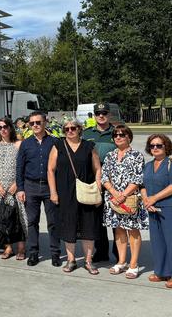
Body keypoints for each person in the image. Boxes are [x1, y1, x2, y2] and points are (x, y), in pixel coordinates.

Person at [48, 119, 103, 274]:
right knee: (68, 226)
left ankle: (88, 261)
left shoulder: (89, 146)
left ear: (79, 129)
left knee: (88, 226)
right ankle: (71, 260)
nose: (70, 131)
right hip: (65, 193)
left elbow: (98, 169)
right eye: (66, 129)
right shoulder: (58, 146)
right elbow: (50, 170)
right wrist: (53, 192)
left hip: (86, 192)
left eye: (73, 128)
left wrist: (98, 190)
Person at [141, 134, 172, 289]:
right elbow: (141, 185)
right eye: (152, 145)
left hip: (171, 208)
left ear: (166, 147)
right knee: (158, 243)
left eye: (159, 145)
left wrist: (154, 198)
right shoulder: (148, 166)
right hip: (152, 208)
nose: (155, 148)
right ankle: (162, 271)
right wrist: (146, 201)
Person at [16, 111, 61, 267]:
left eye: (38, 122)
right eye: (32, 123)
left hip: (50, 187)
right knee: (32, 222)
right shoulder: (25, 144)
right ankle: (33, 253)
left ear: (45, 123)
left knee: (53, 222)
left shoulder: (55, 142)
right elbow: (19, 167)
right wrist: (20, 189)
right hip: (31, 187)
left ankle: (56, 253)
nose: (35, 125)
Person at [102, 125, 147, 279]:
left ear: (129, 137)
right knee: (119, 229)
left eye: (122, 134)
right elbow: (104, 177)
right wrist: (114, 193)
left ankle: (134, 264)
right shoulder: (109, 156)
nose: (118, 137)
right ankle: (121, 261)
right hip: (113, 198)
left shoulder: (137, 155)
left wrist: (124, 195)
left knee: (133, 230)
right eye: (116, 135)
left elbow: (138, 178)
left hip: (130, 199)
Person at [0, 118, 27, 260]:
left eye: (5, 126)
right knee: (3, 218)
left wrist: (17, 183)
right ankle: (8, 247)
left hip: (15, 187)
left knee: (18, 217)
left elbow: (23, 166)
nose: (2, 129)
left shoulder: (18, 144)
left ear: (11, 128)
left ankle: (21, 248)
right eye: (0, 127)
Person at [83, 102, 117, 263]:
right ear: (94, 115)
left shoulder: (117, 132)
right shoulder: (87, 133)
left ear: (109, 115)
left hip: (114, 181)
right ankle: (101, 251)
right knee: (97, 218)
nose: (101, 116)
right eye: (98, 113)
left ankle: (119, 253)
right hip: (94, 179)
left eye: (104, 113)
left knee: (117, 217)